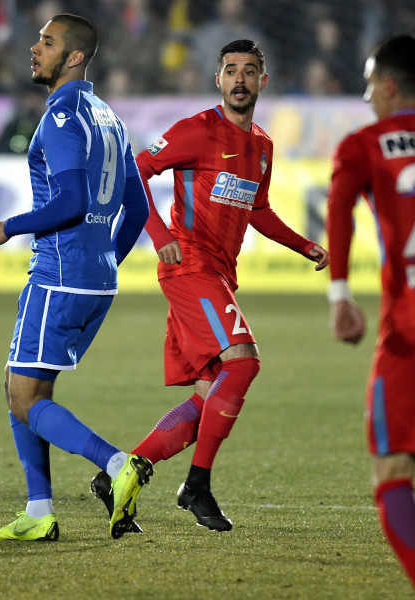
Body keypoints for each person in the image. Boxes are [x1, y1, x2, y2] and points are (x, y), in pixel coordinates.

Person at [91, 39, 329, 532]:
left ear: (263, 82)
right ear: (217, 80)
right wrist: (159, 238)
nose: (239, 79)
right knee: (244, 362)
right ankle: (196, 485)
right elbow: (134, 173)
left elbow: (257, 209)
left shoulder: (261, 146)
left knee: (206, 399)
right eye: (230, 71)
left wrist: (303, 245)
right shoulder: (196, 130)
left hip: (217, 274)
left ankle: (117, 473)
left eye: (249, 71)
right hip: (188, 268)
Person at [0, 13, 155, 541]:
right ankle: (38, 511)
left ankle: (118, 462)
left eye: (47, 42)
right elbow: (138, 211)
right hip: (94, 278)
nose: (34, 48)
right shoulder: (109, 118)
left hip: (58, 276)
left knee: (24, 398)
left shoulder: (60, 116)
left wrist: (8, 227)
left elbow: (72, 201)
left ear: (74, 57)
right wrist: (102, 264)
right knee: (20, 383)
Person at [326, 34, 415, 589]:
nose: (365, 98)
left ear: (387, 86)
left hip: (407, 331)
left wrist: (340, 295)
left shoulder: (364, 143)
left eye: (367, 85)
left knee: (393, 470)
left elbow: (339, 212)